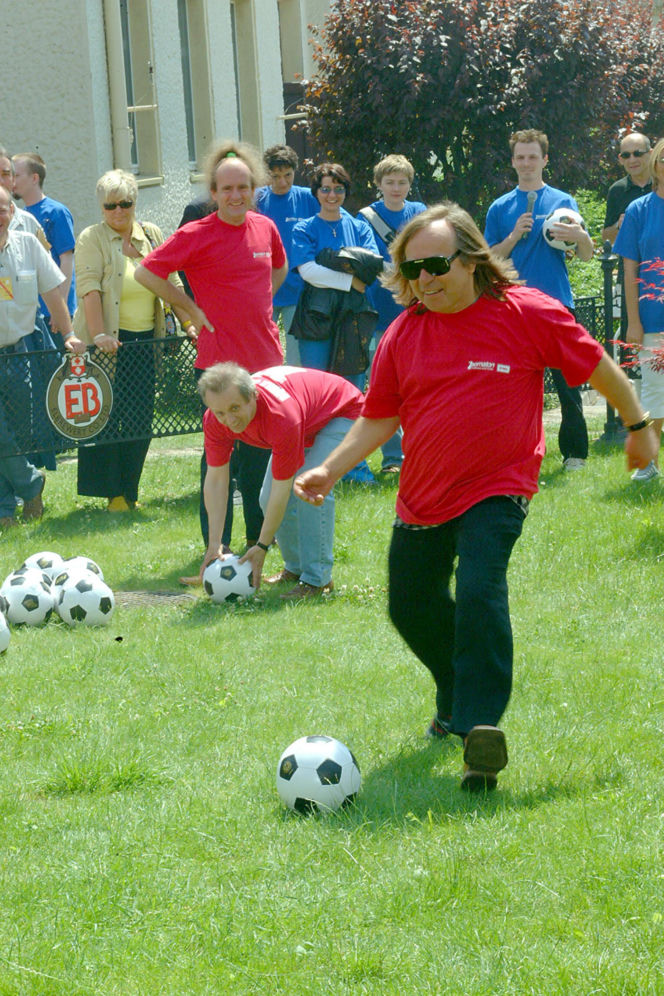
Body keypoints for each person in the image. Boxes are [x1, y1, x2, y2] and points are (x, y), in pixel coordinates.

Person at [294, 203, 656, 791]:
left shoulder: (528, 313)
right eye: (412, 272)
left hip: (499, 485)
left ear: (471, 259)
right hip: (424, 495)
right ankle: (454, 697)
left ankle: (479, 730)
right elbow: (378, 419)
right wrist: (328, 470)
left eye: (436, 265)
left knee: (482, 587)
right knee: (409, 606)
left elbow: (597, 367)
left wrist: (638, 429)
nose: (425, 280)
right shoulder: (403, 334)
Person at [135, 140, 288, 564]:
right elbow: (146, 272)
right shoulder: (196, 233)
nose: (236, 195)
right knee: (218, 460)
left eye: (243, 187)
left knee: (261, 457)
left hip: (266, 363)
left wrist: (261, 308)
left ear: (254, 187)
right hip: (219, 363)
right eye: (226, 189)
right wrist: (190, 307)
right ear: (214, 193)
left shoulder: (265, 228)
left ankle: (259, 545)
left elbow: (279, 267)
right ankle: (214, 547)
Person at [72, 169, 189, 511]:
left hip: (143, 341)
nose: (119, 211)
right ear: (102, 207)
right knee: (106, 419)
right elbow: (89, 288)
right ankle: (112, 495)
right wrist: (99, 334)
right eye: (111, 206)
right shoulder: (91, 238)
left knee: (140, 420)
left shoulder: (150, 233)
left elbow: (172, 280)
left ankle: (129, 491)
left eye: (126, 203)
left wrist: (187, 322)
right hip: (105, 343)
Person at [197, 362, 364, 599]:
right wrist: (215, 544)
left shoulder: (280, 415)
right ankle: (295, 569)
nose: (229, 419)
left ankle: (317, 581)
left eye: (235, 408)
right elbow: (216, 481)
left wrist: (262, 546)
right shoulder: (215, 421)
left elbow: (283, 490)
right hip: (306, 419)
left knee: (310, 492)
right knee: (266, 500)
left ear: (253, 396)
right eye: (220, 412)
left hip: (342, 412)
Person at [484, 129, 595, 470]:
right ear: (513, 161)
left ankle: (574, 454)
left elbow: (586, 255)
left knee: (568, 382)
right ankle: (514, 453)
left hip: (556, 303)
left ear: (545, 159)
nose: (527, 163)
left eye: (533, 156)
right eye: (520, 157)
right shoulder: (500, 207)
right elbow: (489, 260)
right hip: (512, 304)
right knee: (512, 386)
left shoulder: (564, 202)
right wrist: (514, 235)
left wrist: (579, 235)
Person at [0, 184, 84, 528]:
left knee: (15, 431)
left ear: (11, 212)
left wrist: (69, 333)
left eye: (3, 208)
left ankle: (8, 504)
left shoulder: (27, 244)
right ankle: (23, 490)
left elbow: (53, 294)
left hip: (18, 352)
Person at [290, 162, 380, 484]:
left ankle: (355, 468)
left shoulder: (359, 226)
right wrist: (349, 279)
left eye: (338, 188)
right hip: (315, 318)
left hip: (354, 317)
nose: (332, 195)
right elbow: (307, 271)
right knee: (316, 392)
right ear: (316, 192)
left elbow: (371, 266)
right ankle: (314, 466)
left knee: (353, 392)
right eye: (326, 188)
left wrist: (332, 262)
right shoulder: (302, 228)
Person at [358, 153, 426, 473]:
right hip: (379, 311)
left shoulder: (420, 213)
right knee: (383, 387)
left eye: (402, 182)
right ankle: (393, 458)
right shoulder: (365, 217)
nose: (396, 188)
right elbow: (371, 261)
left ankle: (422, 450)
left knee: (419, 384)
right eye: (390, 182)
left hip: (418, 310)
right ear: (379, 184)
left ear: (410, 185)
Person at [614, 137, 664, 480]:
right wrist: (633, 321)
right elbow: (629, 269)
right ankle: (649, 463)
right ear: (655, 164)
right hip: (652, 319)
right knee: (655, 391)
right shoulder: (638, 210)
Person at [255, 145, 319, 364]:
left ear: (295, 171)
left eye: (288, 175)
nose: (282, 182)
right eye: (275, 177)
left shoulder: (308, 198)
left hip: (298, 291)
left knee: (296, 358)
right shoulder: (256, 201)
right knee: (263, 354)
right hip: (265, 291)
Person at [12, 153, 77, 339]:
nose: (12, 181)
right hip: (31, 313)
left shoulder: (56, 212)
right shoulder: (19, 216)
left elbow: (66, 260)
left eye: (16, 175)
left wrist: (60, 309)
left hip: (52, 313)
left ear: (34, 178)